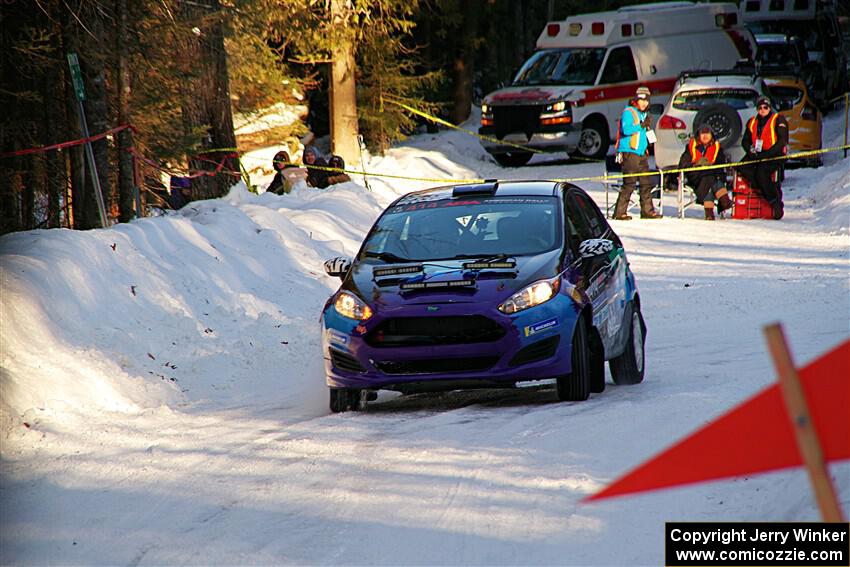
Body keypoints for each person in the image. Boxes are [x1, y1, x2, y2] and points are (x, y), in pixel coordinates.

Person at [737, 96, 789, 219]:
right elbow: (745, 141)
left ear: (769, 108)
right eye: (759, 108)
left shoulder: (778, 119)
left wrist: (767, 154)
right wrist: (751, 151)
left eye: (765, 107)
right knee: (741, 168)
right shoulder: (752, 122)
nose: (762, 110)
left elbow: (782, 141)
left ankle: (774, 201)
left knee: (761, 173)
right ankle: (761, 188)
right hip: (757, 153)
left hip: (774, 154)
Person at [614, 86, 661, 220]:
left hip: (641, 153)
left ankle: (647, 211)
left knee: (646, 183)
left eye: (646, 100)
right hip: (629, 152)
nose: (644, 103)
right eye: (641, 100)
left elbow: (644, 132)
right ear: (636, 100)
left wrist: (650, 137)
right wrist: (641, 125)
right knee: (629, 183)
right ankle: (620, 212)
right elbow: (626, 130)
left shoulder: (644, 114)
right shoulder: (629, 112)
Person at [677, 125, 733, 220]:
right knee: (708, 177)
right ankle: (724, 200)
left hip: (713, 176)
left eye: (707, 133)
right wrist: (696, 165)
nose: (705, 136)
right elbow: (682, 164)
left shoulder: (717, 148)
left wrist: (710, 165)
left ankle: (709, 213)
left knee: (708, 178)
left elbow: (721, 164)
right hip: (696, 176)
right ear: (698, 135)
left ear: (711, 135)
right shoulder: (691, 147)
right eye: (702, 133)